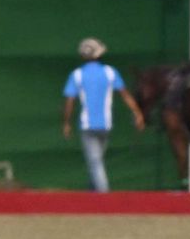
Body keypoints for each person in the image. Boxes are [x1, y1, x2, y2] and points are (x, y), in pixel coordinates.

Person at [58, 40, 141, 193]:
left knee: (95, 163)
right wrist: (137, 113)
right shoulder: (110, 72)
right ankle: (92, 195)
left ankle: (104, 197)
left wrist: (66, 123)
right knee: (96, 162)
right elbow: (125, 95)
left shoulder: (77, 75)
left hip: (87, 126)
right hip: (105, 125)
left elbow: (69, 102)